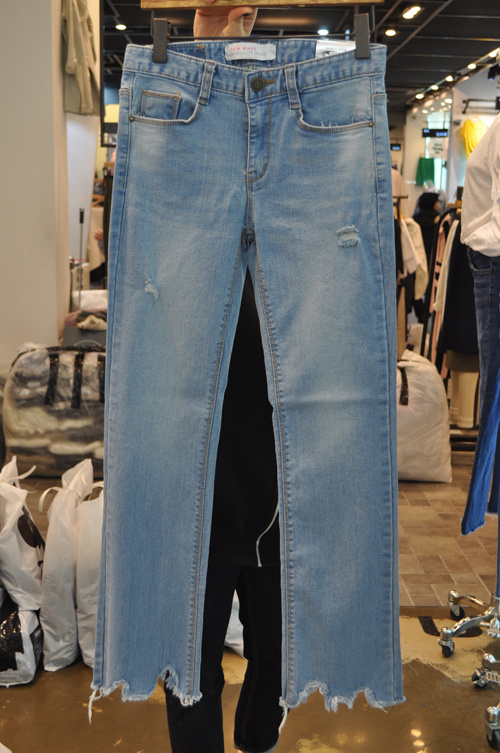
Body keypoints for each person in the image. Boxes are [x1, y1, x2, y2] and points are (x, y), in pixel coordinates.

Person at [161, 11, 284, 753]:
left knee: (276, 661)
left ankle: (259, 740)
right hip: (195, 484)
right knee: (189, 667)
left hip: (276, 484)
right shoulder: (179, 208)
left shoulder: (291, 234)